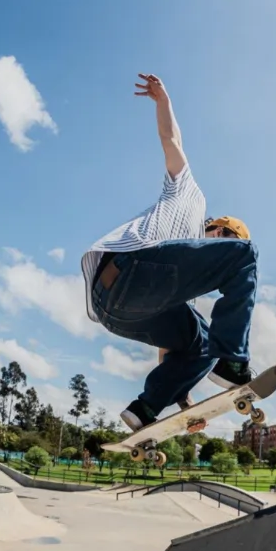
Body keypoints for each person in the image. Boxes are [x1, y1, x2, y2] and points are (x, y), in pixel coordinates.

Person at [80, 73, 258, 433]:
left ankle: (145, 408)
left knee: (202, 341)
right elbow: (170, 140)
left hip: (114, 310)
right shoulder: (189, 195)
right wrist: (164, 102)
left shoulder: (185, 276)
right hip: (133, 267)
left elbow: (171, 346)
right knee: (245, 256)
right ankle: (234, 361)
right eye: (222, 239)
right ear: (219, 231)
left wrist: (182, 403)